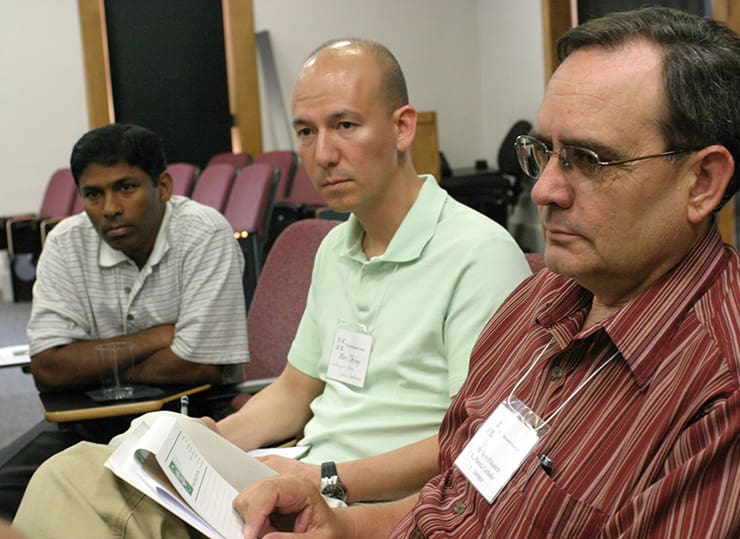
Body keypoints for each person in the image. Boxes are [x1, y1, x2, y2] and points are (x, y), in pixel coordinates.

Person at [225, 7, 740, 538]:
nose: (545, 190)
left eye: (589, 160)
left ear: (702, 183)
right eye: (544, 153)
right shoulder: (538, 302)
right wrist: (339, 526)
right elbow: (454, 501)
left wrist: (333, 480)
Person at [12, 39, 530, 536]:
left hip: (360, 500)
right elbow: (293, 391)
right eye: (305, 132)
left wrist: (325, 477)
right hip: (298, 474)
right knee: (78, 467)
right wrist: (208, 439)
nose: (322, 153)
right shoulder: (336, 248)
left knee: (77, 493)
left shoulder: (478, 253)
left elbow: (480, 441)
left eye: (345, 125)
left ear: (402, 127)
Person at [0, 123, 250, 520]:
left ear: (163, 187)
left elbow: (199, 364)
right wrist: (156, 338)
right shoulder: (66, 243)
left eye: (126, 188)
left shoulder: (204, 233)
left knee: (129, 505)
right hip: (89, 418)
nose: (110, 207)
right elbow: (49, 367)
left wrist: (87, 362)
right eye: (93, 194)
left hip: (192, 413)